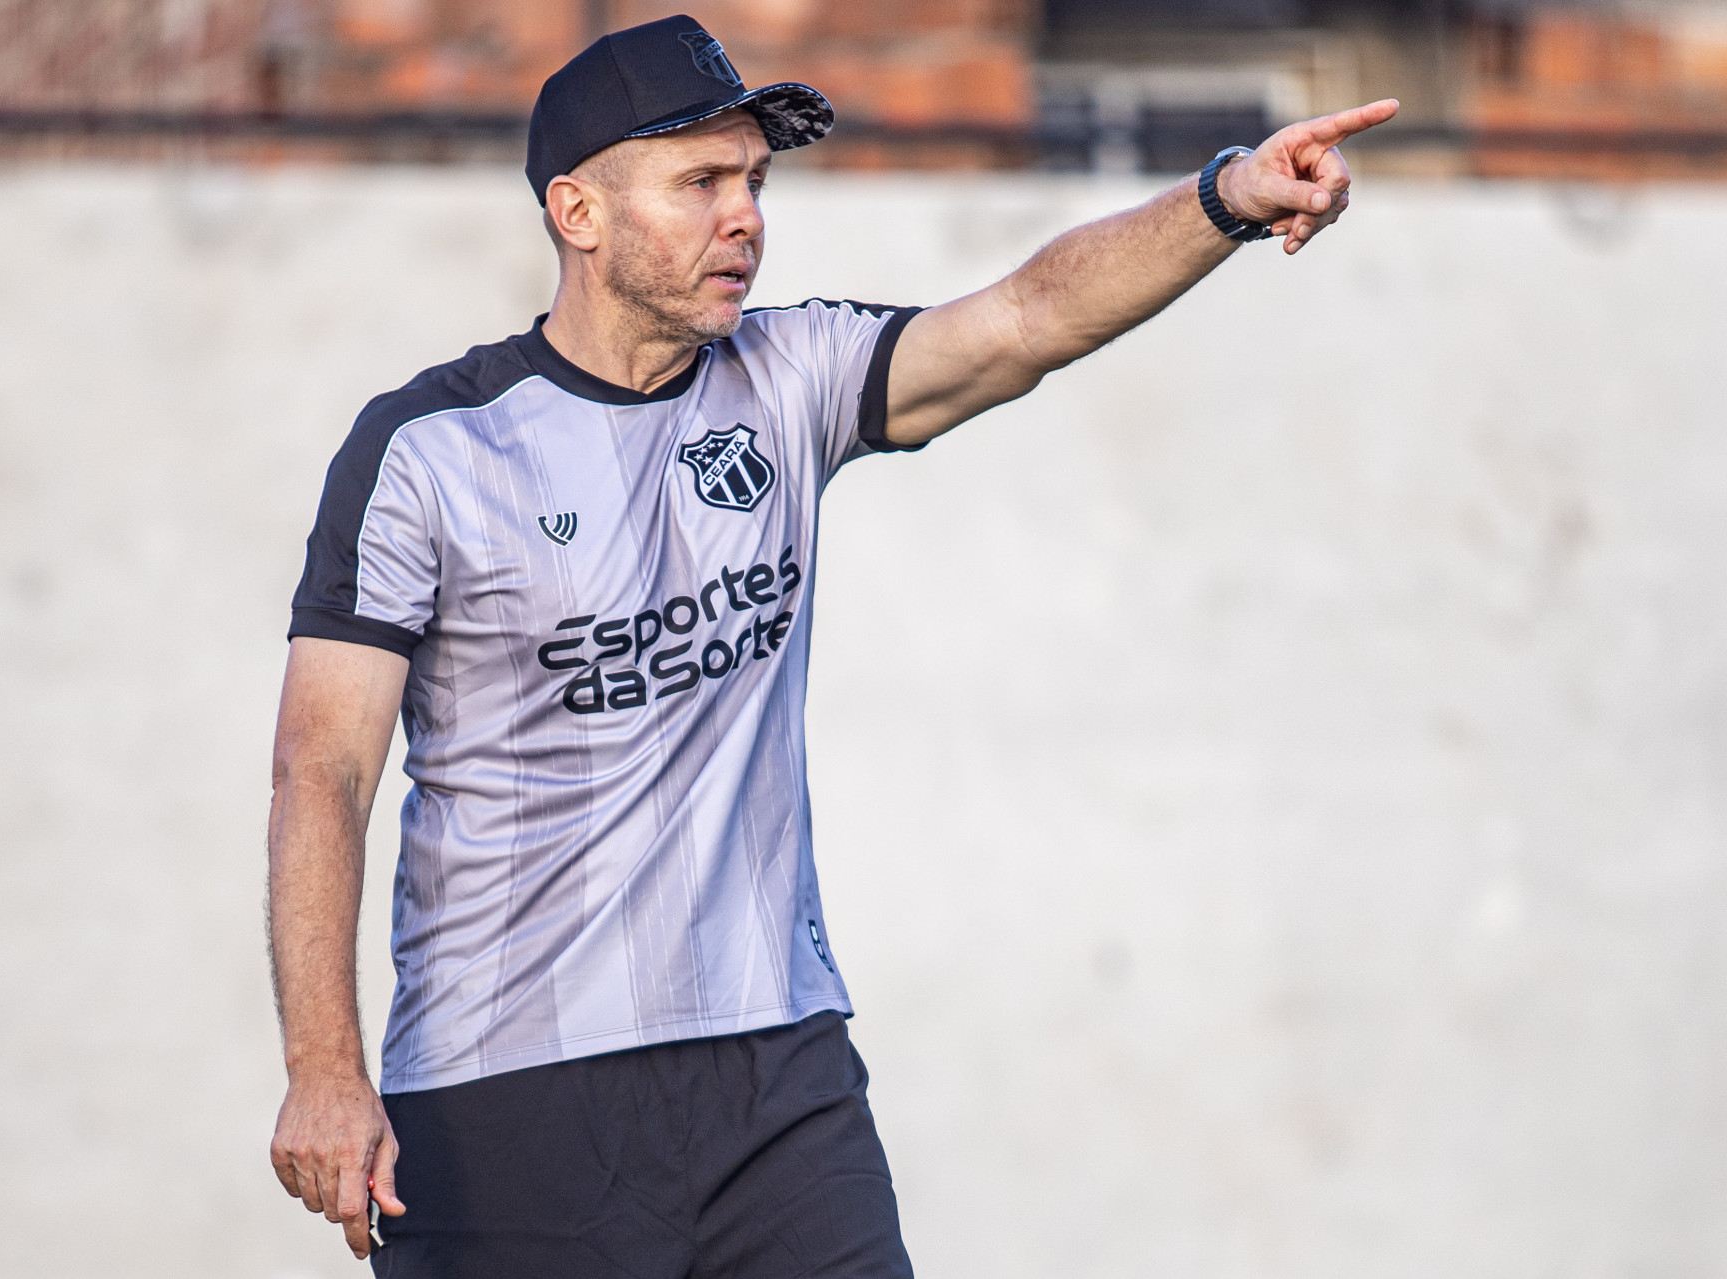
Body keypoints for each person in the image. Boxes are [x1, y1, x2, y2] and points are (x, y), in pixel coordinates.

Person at [266, 12, 1396, 1275]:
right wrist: (324, 1070)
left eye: (753, 180)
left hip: (777, 1077)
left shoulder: (792, 371)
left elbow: (1026, 318)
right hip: (508, 1091)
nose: (745, 215)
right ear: (578, 213)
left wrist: (1224, 199)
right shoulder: (430, 448)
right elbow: (324, 772)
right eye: (700, 182)